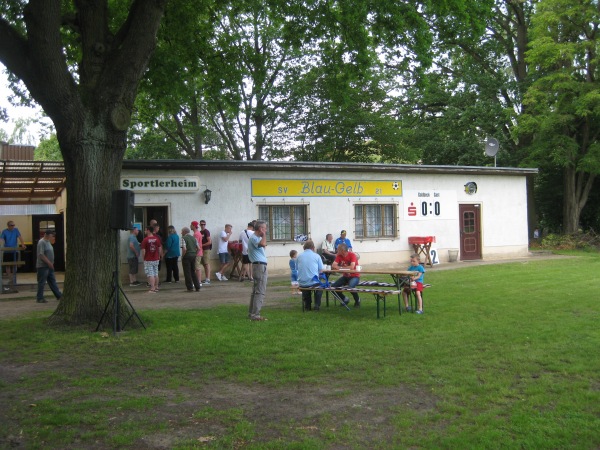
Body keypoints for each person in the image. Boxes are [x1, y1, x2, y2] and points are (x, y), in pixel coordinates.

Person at [248, 220, 268, 321]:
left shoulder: (255, 238)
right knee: (260, 291)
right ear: (260, 229)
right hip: (259, 266)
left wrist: (262, 236)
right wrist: (264, 235)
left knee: (256, 291)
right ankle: (255, 315)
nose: (266, 230)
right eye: (265, 228)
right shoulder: (254, 238)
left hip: (258, 265)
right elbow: (263, 244)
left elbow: (263, 244)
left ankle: (252, 313)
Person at [35, 229, 62, 303]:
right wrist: (49, 263)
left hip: (49, 266)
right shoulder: (42, 242)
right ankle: (39, 297)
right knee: (42, 282)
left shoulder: (48, 242)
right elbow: (41, 254)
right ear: (47, 235)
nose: (52, 237)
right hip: (43, 266)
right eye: (51, 235)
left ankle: (58, 295)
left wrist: (51, 264)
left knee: (52, 281)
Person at [297, 240, 324, 311]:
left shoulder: (299, 256)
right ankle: (317, 305)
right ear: (313, 248)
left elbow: (297, 268)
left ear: (304, 248)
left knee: (306, 286)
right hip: (313, 282)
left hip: (301, 282)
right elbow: (321, 270)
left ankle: (307, 305)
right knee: (320, 287)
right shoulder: (316, 256)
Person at [331, 243, 360, 307]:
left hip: (354, 276)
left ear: (343, 250)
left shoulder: (352, 255)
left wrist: (340, 268)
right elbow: (333, 265)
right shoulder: (339, 256)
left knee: (351, 287)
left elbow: (352, 267)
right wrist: (342, 268)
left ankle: (357, 300)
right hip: (345, 276)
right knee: (333, 287)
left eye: (338, 250)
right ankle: (345, 299)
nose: (337, 251)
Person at [1, 220, 26, 285]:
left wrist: (23, 244)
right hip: (7, 250)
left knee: (14, 264)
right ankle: (10, 278)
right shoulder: (4, 231)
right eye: (12, 225)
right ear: (8, 226)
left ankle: (14, 278)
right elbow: (1, 239)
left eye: (14, 225)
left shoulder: (16, 230)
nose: (13, 226)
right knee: (7, 265)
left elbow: (20, 237)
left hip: (14, 250)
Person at [141, 225, 163, 293]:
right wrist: (159, 256)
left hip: (148, 259)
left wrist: (143, 258)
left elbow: (143, 251)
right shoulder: (157, 239)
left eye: (145, 230)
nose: (144, 231)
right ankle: (156, 287)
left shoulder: (145, 240)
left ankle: (152, 288)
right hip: (156, 258)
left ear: (148, 230)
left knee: (151, 274)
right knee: (156, 273)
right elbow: (160, 248)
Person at [180, 226, 201, 292]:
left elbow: (184, 249)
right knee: (193, 271)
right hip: (193, 256)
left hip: (187, 256)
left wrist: (182, 256)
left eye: (181, 231)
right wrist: (195, 254)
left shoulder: (183, 238)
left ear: (184, 232)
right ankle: (197, 286)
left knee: (187, 272)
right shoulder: (194, 238)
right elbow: (198, 248)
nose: (181, 233)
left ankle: (190, 287)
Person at [191, 221, 204, 286]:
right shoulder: (198, 233)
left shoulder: (196, 234)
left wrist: (195, 252)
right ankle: (198, 281)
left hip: (197, 253)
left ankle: (198, 282)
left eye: (191, 225)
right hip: (199, 252)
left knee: (197, 267)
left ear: (193, 226)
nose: (190, 226)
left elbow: (196, 244)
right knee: (197, 267)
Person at [198, 220, 212, 284]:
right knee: (203, 264)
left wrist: (202, 245)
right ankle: (206, 278)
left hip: (206, 249)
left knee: (206, 264)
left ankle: (208, 279)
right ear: (199, 225)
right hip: (201, 249)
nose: (203, 225)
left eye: (204, 224)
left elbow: (209, 242)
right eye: (201, 224)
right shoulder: (200, 232)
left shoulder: (206, 231)